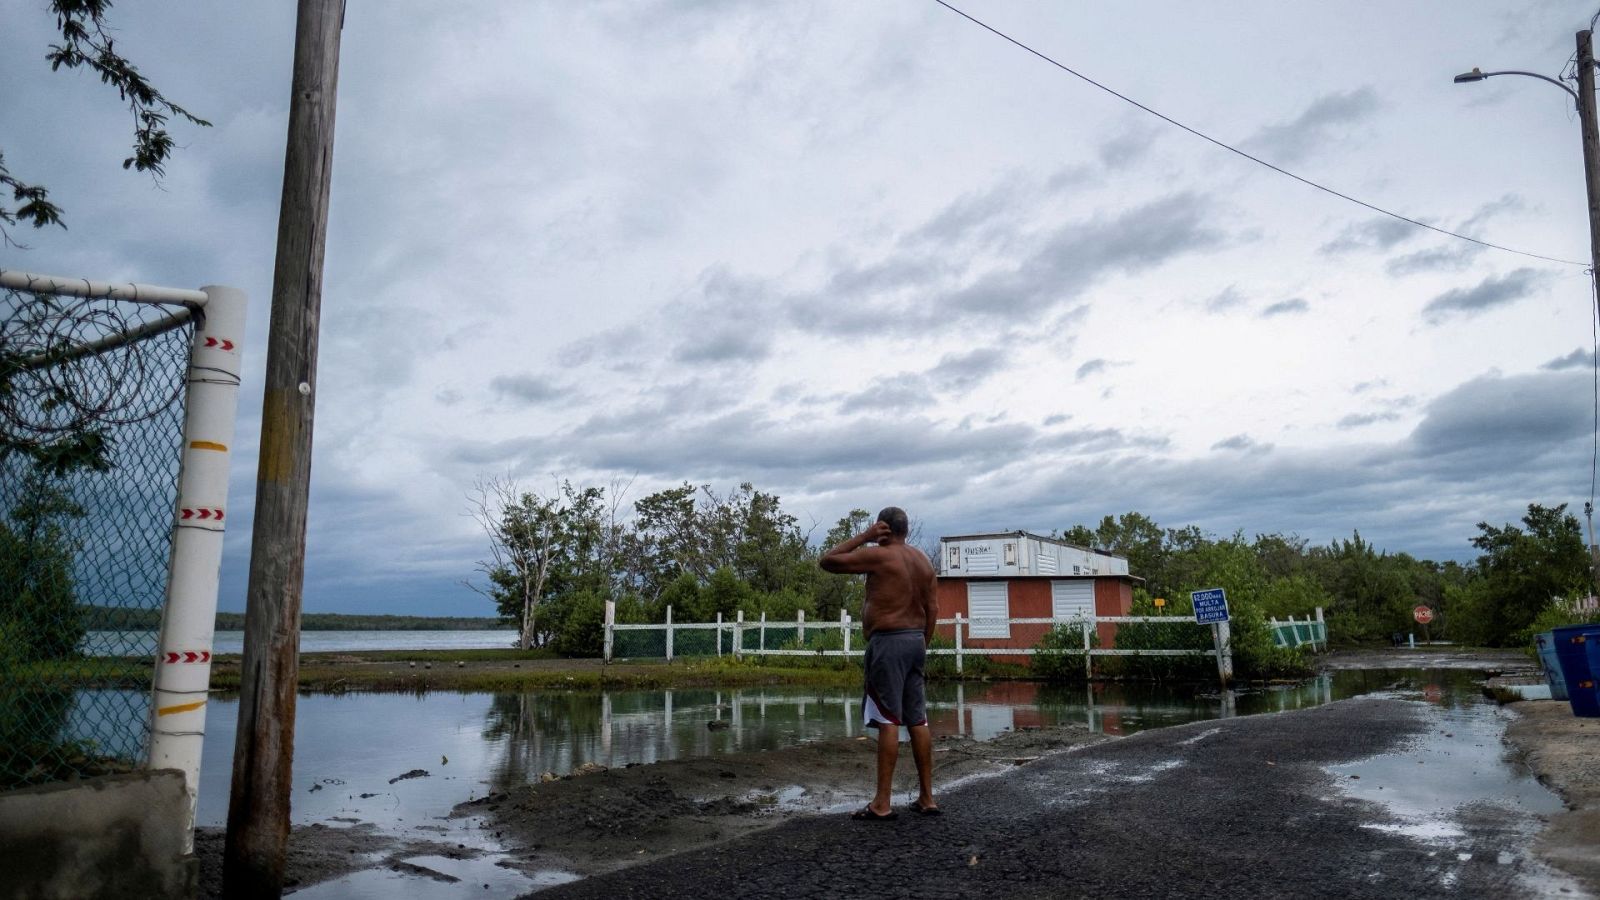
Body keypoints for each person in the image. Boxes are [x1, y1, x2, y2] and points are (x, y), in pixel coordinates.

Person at [819, 506, 940, 820]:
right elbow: (933, 609)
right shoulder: (923, 561)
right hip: (915, 641)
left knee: (889, 718)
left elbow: (828, 560)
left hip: (889, 642)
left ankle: (882, 804)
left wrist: (865, 536)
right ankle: (927, 798)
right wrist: (921, 643)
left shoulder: (880, 555)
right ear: (907, 530)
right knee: (918, 719)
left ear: (883, 528)